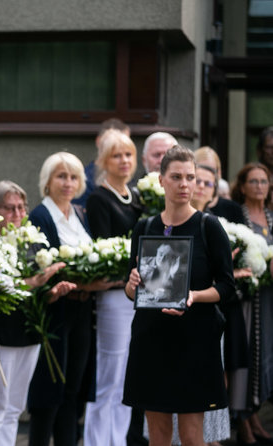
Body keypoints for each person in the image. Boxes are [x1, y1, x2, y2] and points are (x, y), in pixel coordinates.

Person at [123, 145, 235, 446]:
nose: (185, 184)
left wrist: (194, 297)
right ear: (161, 180)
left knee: (191, 435)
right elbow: (131, 289)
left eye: (190, 177)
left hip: (195, 339)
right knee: (157, 435)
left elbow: (227, 287)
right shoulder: (145, 226)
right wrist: (132, 283)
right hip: (151, 338)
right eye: (176, 177)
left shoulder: (208, 226)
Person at [0, 180, 76, 446]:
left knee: (16, 408)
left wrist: (53, 293)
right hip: (0, 336)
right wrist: (35, 283)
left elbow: (36, 292)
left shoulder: (30, 241)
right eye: (9, 208)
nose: (17, 214)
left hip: (29, 335)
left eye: (21, 207)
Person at [25, 152, 118, 446]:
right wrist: (88, 284)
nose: (68, 183)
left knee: (72, 390)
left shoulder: (80, 214)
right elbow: (40, 269)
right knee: (49, 389)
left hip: (81, 310)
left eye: (74, 177)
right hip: (55, 309)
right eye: (61, 176)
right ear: (47, 181)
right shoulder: (41, 215)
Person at [83, 129, 142, 446]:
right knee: (109, 373)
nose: (124, 161)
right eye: (117, 155)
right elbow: (103, 249)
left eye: (129, 154)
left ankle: (117, 440)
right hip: (113, 297)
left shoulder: (137, 198)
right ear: (104, 161)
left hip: (137, 297)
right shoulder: (99, 198)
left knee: (127, 376)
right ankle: (96, 441)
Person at [229, 162, 273, 445]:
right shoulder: (238, 216)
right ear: (242, 186)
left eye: (264, 181)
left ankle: (255, 413)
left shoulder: (271, 215)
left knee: (265, 351)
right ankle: (243, 420)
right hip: (248, 296)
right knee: (248, 352)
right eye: (253, 182)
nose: (259, 186)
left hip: (269, 296)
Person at [73, 118, 131, 208]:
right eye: (112, 142)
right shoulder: (83, 180)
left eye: (125, 143)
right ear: (99, 142)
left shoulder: (129, 178)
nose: (120, 147)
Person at [194, 146, 244, 224]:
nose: (206, 174)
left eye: (211, 170)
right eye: (201, 168)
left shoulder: (233, 209)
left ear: (219, 173)